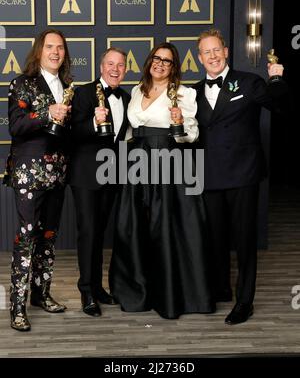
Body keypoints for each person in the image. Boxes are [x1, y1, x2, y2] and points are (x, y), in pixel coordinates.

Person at [109, 42, 216, 319]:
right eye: (156, 58)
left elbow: (189, 137)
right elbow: (131, 130)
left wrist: (179, 122)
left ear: (174, 67)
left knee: (166, 227)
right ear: (149, 62)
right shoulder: (136, 90)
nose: (160, 64)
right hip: (137, 163)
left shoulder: (184, 93)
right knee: (136, 227)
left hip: (169, 162)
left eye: (167, 61)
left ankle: (171, 294)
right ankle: (138, 290)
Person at [193, 28, 287, 324]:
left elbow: (280, 105)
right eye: (206, 52)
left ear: (226, 51)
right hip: (208, 176)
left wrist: (276, 79)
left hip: (242, 174)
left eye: (216, 50)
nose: (212, 56)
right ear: (199, 58)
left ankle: (245, 301)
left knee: (244, 241)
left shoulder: (248, 81)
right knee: (215, 239)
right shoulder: (191, 92)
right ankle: (220, 289)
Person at [3, 29, 72, 331]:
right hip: (29, 174)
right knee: (27, 239)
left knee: (48, 238)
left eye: (60, 47)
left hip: (58, 174)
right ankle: (17, 307)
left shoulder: (68, 87)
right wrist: (47, 113)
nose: (55, 52)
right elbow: (16, 126)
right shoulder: (22, 83)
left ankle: (41, 295)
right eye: (50, 47)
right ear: (39, 51)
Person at [68, 48, 130, 317]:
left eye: (121, 65)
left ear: (126, 70)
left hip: (112, 176)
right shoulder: (83, 93)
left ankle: (97, 286)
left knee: (100, 232)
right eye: (110, 64)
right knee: (89, 232)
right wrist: (94, 121)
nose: (115, 69)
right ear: (101, 66)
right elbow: (72, 133)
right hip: (85, 175)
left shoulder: (126, 97)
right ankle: (86, 291)